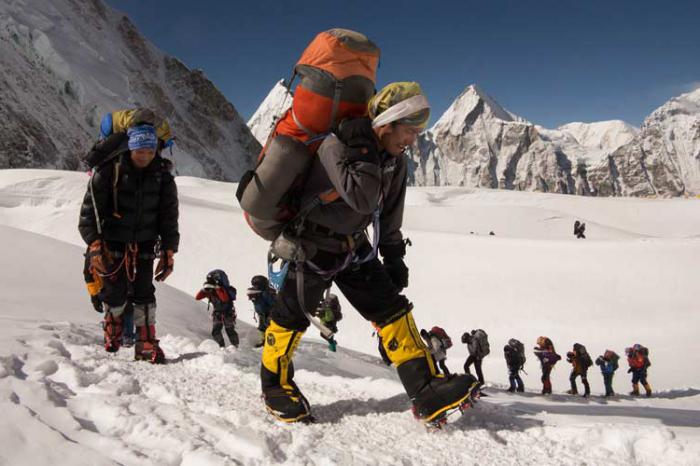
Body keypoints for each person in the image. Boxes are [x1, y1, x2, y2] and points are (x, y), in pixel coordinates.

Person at [251, 77, 479, 423]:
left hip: (353, 248)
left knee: (393, 312)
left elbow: (388, 213)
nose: (412, 140)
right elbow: (362, 196)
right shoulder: (336, 146)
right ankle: (275, 387)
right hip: (311, 247)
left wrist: (395, 255)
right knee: (290, 319)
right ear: (386, 124)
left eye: (418, 133)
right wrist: (362, 149)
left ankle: (426, 389)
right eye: (409, 131)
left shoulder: (394, 161)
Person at [78, 118, 179, 364]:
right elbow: (88, 215)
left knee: (145, 292)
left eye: (149, 151)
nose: (144, 156)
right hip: (111, 244)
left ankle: (145, 343)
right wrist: (94, 243)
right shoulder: (109, 171)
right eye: (139, 151)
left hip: (144, 244)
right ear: (130, 148)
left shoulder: (163, 177)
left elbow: (169, 216)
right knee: (114, 292)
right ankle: (112, 332)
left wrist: (168, 250)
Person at [196, 270, 239, 348]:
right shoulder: (211, 291)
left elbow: (224, 299)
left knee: (230, 330)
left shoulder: (225, 290)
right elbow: (198, 297)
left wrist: (217, 288)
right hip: (217, 314)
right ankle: (221, 346)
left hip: (228, 314)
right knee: (216, 331)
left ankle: (235, 346)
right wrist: (204, 290)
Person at [247, 275, 276, 348]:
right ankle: (265, 342)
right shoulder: (262, 292)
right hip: (265, 314)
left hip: (267, 314)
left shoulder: (263, 293)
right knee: (263, 328)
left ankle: (270, 343)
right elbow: (273, 304)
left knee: (267, 329)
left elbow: (273, 304)